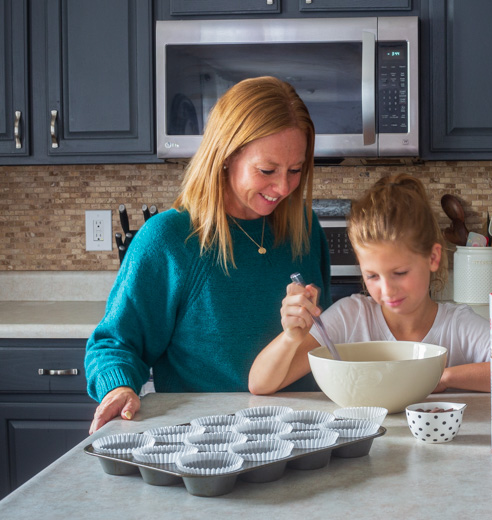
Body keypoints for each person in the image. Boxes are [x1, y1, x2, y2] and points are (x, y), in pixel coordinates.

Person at [85, 77, 331, 433]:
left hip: (304, 433)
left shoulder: (305, 229)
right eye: (267, 170)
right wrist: (120, 387)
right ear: (227, 156)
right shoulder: (169, 239)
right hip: (206, 440)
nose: (282, 187)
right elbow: (113, 343)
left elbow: (323, 341)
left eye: (295, 171)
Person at [248, 173, 491, 395]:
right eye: (373, 276)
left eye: (400, 272)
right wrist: (291, 337)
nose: (387, 290)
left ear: (433, 258)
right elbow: (260, 384)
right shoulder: (351, 316)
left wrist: (443, 376)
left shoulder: (458, 325)